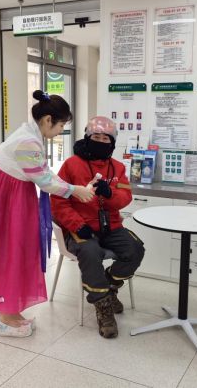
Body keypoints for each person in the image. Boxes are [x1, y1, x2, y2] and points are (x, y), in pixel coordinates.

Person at [0, 90, 94, 338]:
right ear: (48, 120)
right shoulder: (28, 142)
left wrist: (72, 188)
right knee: (6, 253)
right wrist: (75, 190)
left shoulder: (30, 136)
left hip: (6, 194)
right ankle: (5, 317)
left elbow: (44, 173)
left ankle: (9, 311)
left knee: (12, 251)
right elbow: (45, 181)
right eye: (61, 125)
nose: (61, 131)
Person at [51, 116, 145, 339]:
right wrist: (77, 225)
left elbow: (125, 197)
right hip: (81, 228)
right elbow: (58, 201)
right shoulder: (71, 165)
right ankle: (103, 306)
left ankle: (110, 286)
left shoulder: (118, 168)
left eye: (106, 139)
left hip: (111, 226)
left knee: (135, 249)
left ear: (112, 143)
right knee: (90, 252)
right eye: (96, 137)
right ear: (87, 137)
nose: (101, 142)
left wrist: (110, 193)